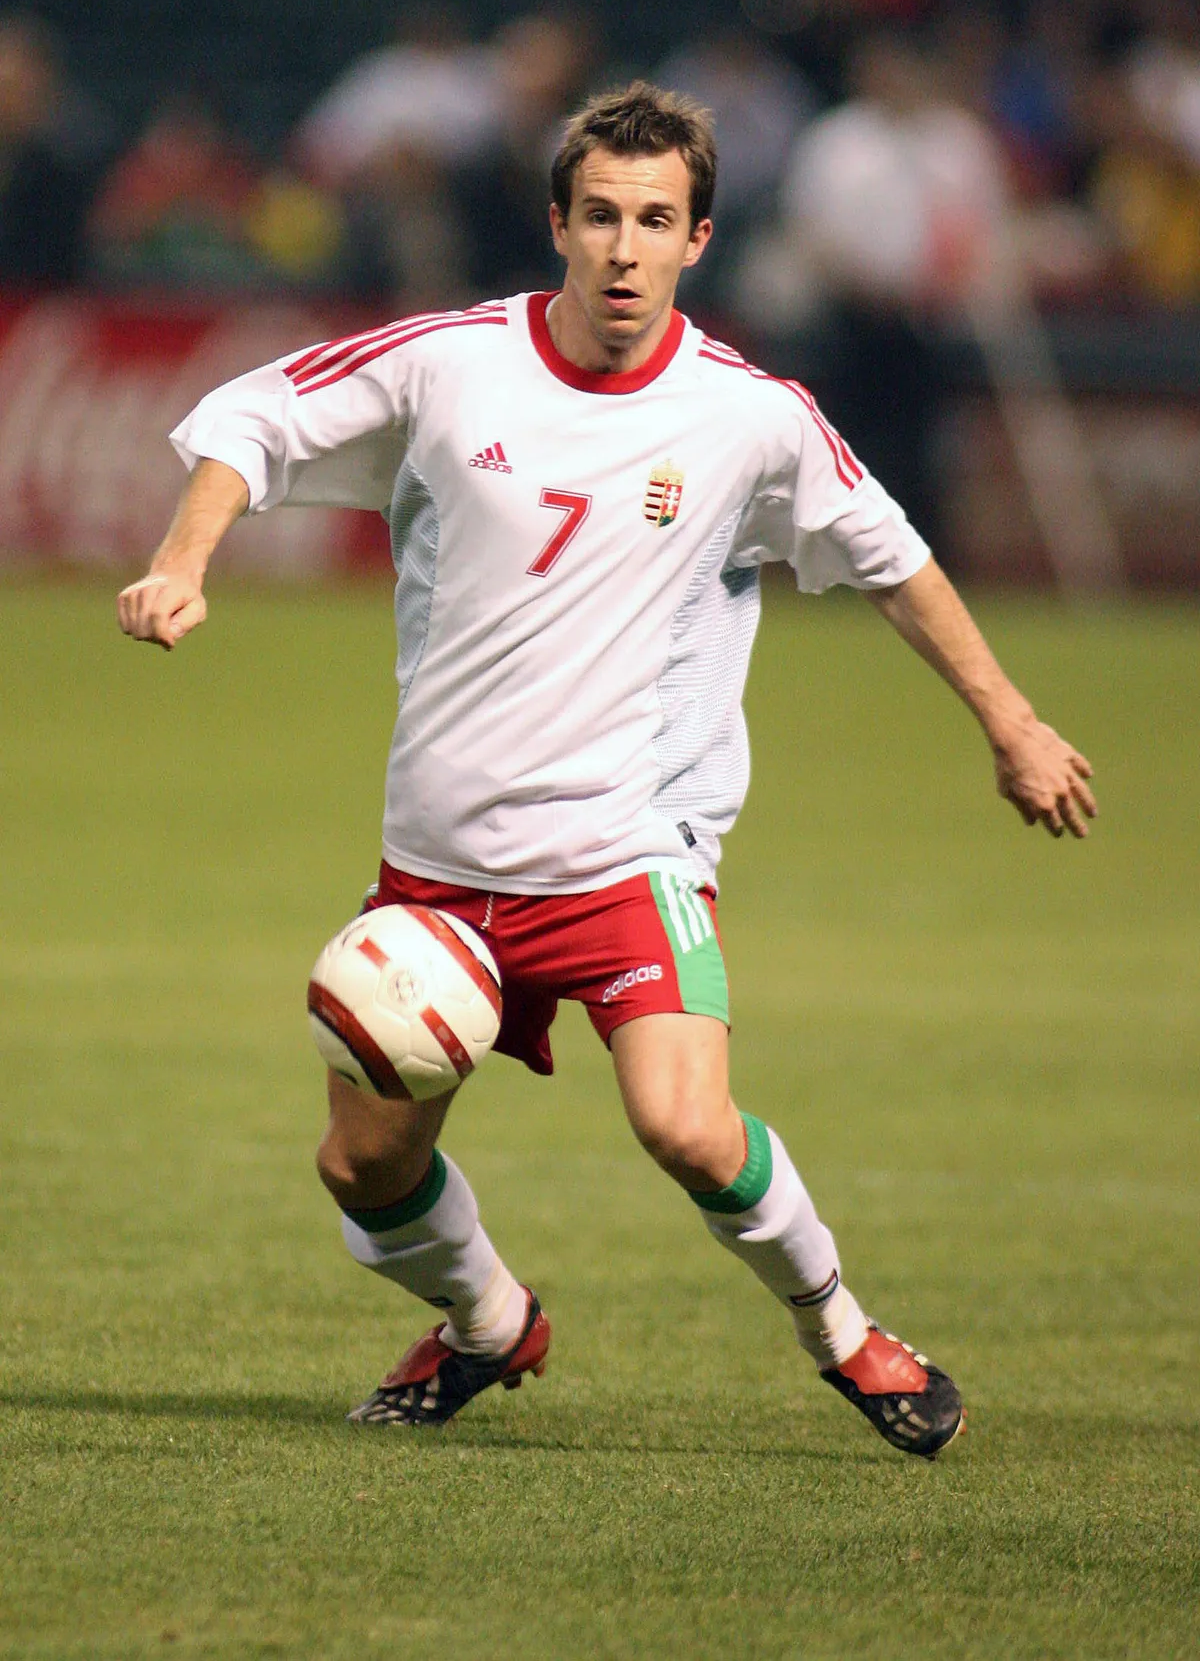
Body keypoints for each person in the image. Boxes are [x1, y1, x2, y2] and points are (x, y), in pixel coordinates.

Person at [117, 83, 1096, 1457]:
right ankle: (487, 1320)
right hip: (439, 870)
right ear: (558, 227)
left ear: (698, 239)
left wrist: (1012, 720)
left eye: (655, 221)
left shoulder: (750, 415)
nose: (624, 249)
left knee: (688, 1129)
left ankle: (847, 1337)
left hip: (625, 852)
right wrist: (182, 560)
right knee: (362, 1169)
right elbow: (250, 417)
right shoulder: (454, 362)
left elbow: (891, 556)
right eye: (599, 218)